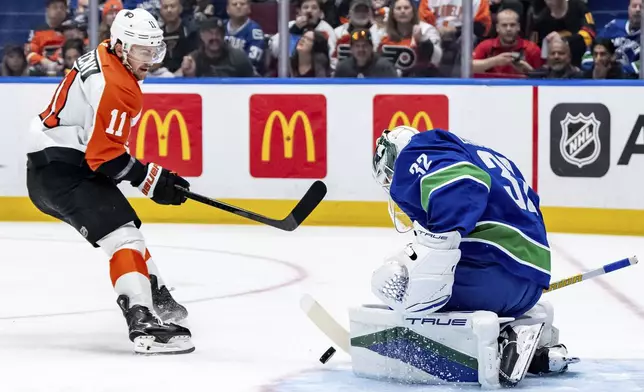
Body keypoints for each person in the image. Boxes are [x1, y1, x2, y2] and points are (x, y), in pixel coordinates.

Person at [25, 8, 194, 355]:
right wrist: (152, 179)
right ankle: (142, 319)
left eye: (154, 49)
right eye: (142, 50)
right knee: (124, 238)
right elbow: (104, 158)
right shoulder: (117, 85)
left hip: (58, 164)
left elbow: (100, 150)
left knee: (127, 229)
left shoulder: (106, 54)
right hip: (63, 171)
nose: (150, 58)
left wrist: (149, 178)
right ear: (120, 47)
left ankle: (154, 292)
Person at [368, 126, 578, 386]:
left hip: (491, 274)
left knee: (398, 288)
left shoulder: (417, 150)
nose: (393, 183)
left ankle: (487, 347)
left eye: (390, 175)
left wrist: (437, 246)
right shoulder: (481, 154)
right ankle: (525, 343)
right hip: (528, 286)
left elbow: (464, 181)